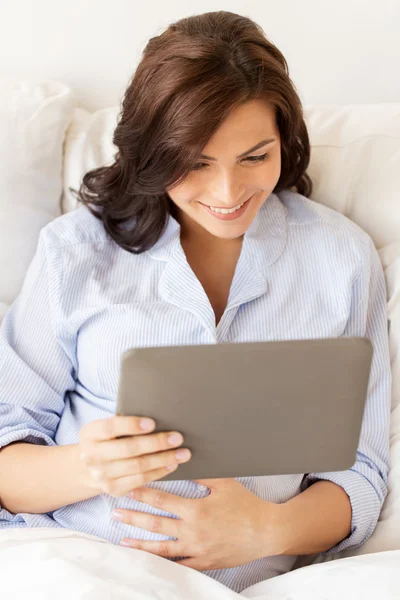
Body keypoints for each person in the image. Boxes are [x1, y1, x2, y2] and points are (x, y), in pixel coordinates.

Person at [0, 10, 391, 594]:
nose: (228, 194)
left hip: (258, 577)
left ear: (285, 140)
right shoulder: (73, 252)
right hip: (84, 565)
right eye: (195, 163)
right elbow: (7, 457)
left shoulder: (341, 260)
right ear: (153, 152)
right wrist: (87, 465)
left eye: (255, 157)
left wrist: (268, 529)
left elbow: (362, 470)